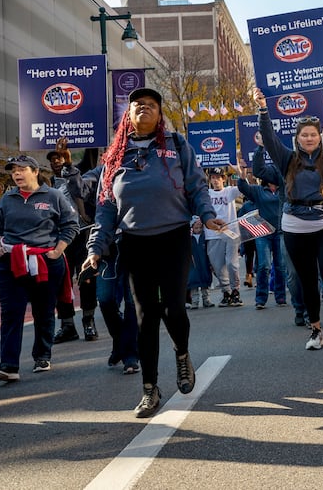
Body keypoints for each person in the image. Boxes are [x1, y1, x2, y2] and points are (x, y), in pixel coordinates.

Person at [83, 87, 225, 418]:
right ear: (128, 116)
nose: (143, 109)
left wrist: (206, 216)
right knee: (145, 316)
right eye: (137, 106)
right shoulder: (114, 157)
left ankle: (181, 353)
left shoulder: (176, 146)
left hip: (173, 237)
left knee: (173, 308)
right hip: (134, 242)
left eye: (150, 105)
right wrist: (95, 249)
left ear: (159, 115)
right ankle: (150, 390)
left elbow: (196, 186)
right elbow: (105, 207)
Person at [253, 87, 323, 350]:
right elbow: (268, 138)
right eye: (304, 135)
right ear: (298, 138)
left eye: (313, 134)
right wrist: (263, 109)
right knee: (306, 280)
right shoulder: (287, 160)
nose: (309, 138)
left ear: (319, 137)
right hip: (295, 225)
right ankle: (315, 330)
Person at [0, 155, 79, 381]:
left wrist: (58, 251)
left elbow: (71, 225)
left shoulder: (54, 196)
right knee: (11, 312)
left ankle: (42, 354)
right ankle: (8, 366)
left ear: (35, 171)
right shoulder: (7, 198)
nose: (16, 174)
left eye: (21, 169)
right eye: (13, 171)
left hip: (45, 261)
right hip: (11, 261)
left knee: (43, 310)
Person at [75, 153, 140, 374]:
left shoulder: (140, 166)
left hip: (135, 244)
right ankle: (121, 341)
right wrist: (67, 167)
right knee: (105, 299)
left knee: (133, 304)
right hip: (108, 249)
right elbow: (80, 189)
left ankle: (131, 355)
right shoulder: (101, 172)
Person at [252, 138, 308, 327]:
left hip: (312, 226)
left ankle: (310, 312)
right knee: (291, 275)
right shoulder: (282, 169)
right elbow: (259, 171)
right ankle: (299, 308)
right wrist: (261, 147)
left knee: (309, 273)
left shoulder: (318, 165)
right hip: (288, 228)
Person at [47, 137, 99, 343]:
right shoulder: (48, 185)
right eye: (52, 159)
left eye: (59, 157)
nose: (56, 161)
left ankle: (88, 322)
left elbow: (92, 153)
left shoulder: (80, 173)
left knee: (86, 279)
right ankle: (67, 325)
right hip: (61, 240)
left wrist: (94, 128)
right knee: (61, 283)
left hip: (83, 235)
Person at [235, 162, 286, 309]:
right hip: (263, 232)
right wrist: (242, 177)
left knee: (281, 266)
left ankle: (280, 296)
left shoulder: (283, 189)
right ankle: (261, 298)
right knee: (264, 265)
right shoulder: (258, 190)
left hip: (280, 232)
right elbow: (243, 188)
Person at [205, 167, 243, 307]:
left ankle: (235, 291)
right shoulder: (206, 194)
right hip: (212, 233)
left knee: (232, 263)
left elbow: (243, 185)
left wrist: (239, 171)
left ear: (223, 179)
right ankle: (226, 292)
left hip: (231, 232)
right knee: (217, 265)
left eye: (218, 177)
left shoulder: (229, 191)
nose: (215, 180)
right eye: (213, 178)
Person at [187, 217, 214, 309]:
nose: (198, 230)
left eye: (200, 228)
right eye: (196, 228)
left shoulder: (205, 237)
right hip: (193, 265)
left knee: (205, 282)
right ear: (192, 228)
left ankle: (206, 300)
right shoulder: (189, 239)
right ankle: (195, 301)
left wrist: (210, 263)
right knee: (193, 283)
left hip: (204, 263)